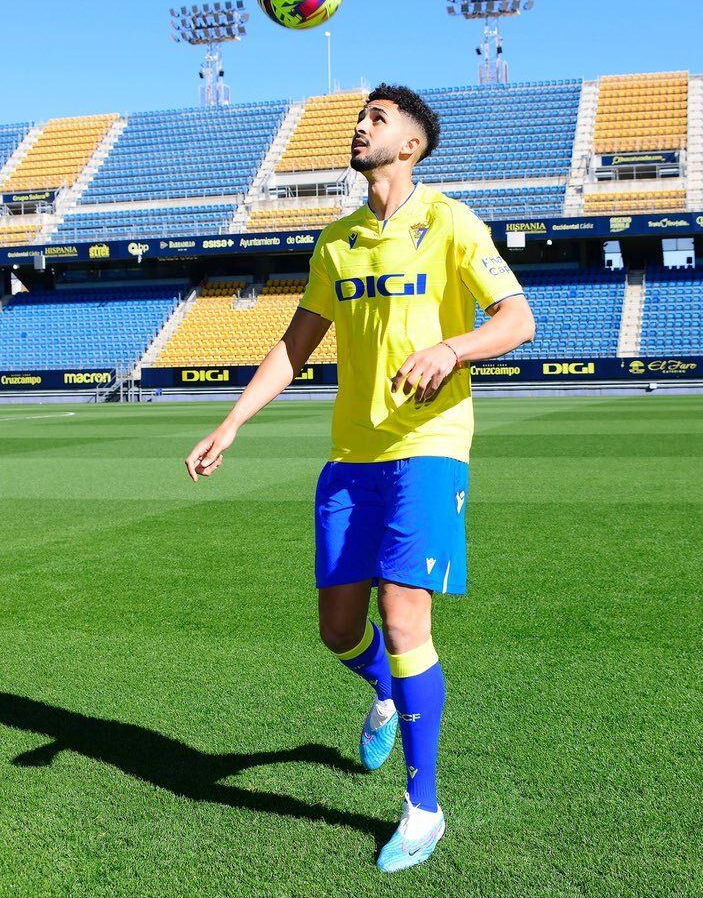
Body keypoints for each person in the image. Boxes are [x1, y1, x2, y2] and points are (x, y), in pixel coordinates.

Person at [183, 83, 535, 872]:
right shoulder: (337, 242)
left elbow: (517, 318)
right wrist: (231, 423)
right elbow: (294, 345)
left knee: (406, 616)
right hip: (351, 458)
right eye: (360, 117)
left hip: (430, 443)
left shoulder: (450, 221)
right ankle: (382, 690)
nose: (360, 126)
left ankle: (424, 807)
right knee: (339, 629)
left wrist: (453, 348)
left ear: (409, 145)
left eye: (377, 119)